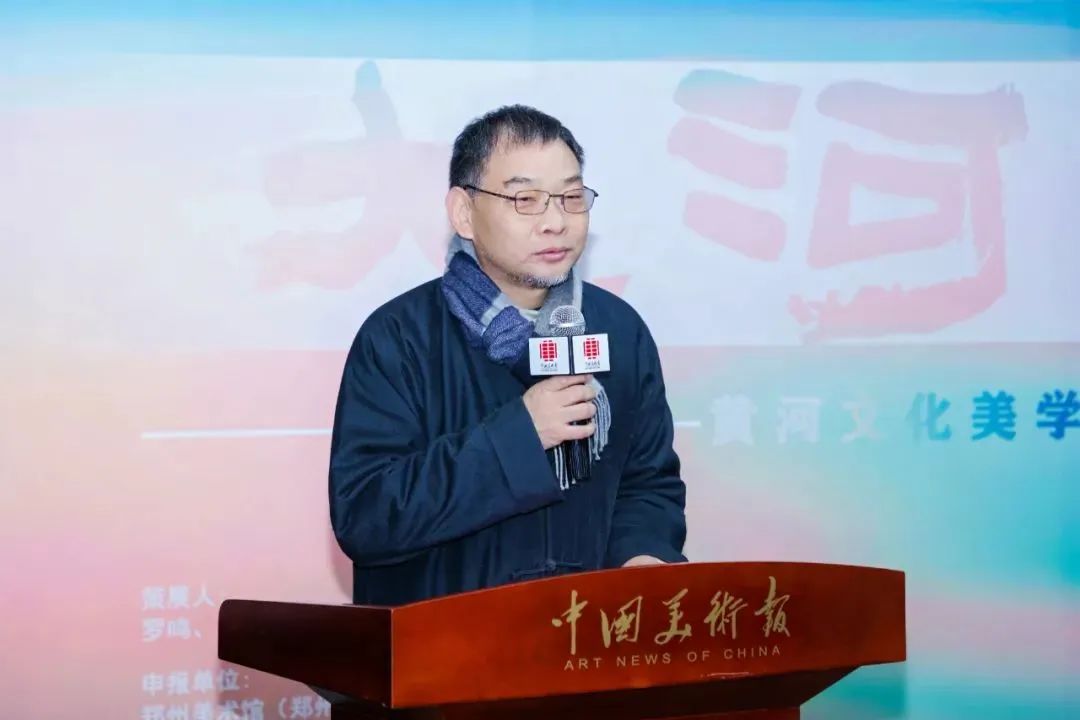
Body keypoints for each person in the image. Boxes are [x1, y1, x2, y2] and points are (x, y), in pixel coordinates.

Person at [329, 104, 686, 605]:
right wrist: (521, 436)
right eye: (525, 199)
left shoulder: (619, 331)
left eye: (571, 197)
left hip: (585, 635)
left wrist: (642, 556)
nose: (555, 222)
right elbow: (366, 517)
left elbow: (647, 486)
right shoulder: (399, 338)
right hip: (445, 642)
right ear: (464, 212)